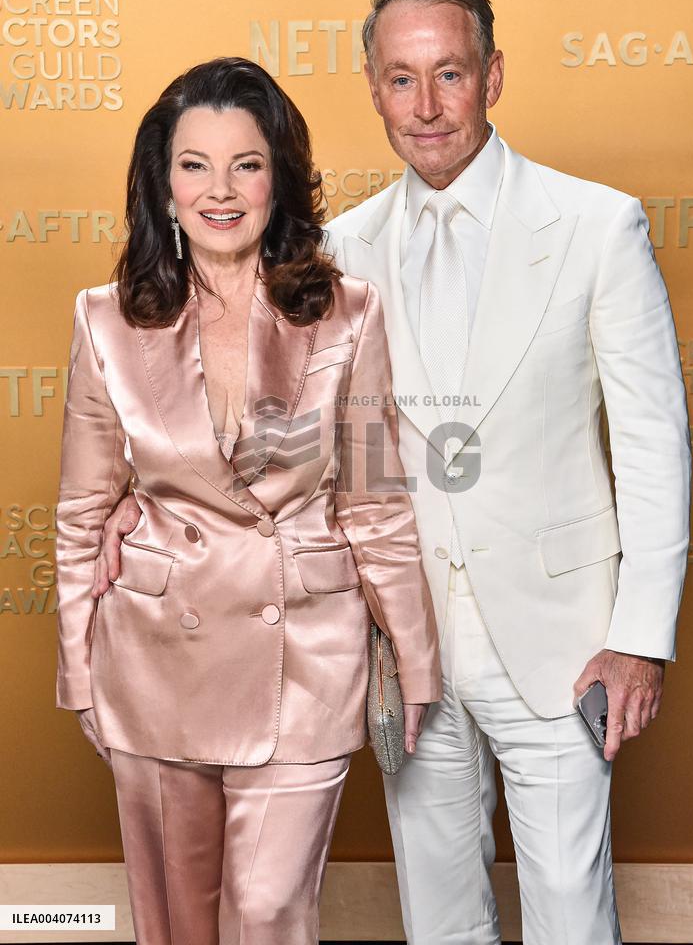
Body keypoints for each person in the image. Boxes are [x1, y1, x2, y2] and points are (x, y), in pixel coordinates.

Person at [93, 0, 692, 945]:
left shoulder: (597, 227)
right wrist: (145, 502)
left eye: (449, 74)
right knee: (440, 921)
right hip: (400, 648)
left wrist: (640, 637)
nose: (426, 106)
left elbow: (654, 444)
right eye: (401, 79)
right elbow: (289, 442)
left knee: (572, 921)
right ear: (372, 86)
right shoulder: (338, 250)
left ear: (493, 75)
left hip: (563, 642)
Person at [55, 55, 442, 945]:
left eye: (247, 164)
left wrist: (416, 660)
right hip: (154, 657)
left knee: (269, 910)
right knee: (177, 922)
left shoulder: (348, 312)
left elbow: (376, 501)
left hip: (303, 652)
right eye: (194, 165)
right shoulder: (105, 320)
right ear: (162, 185)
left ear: (280, 178)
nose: (220, 191)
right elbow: (83, 513)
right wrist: (80, 670)